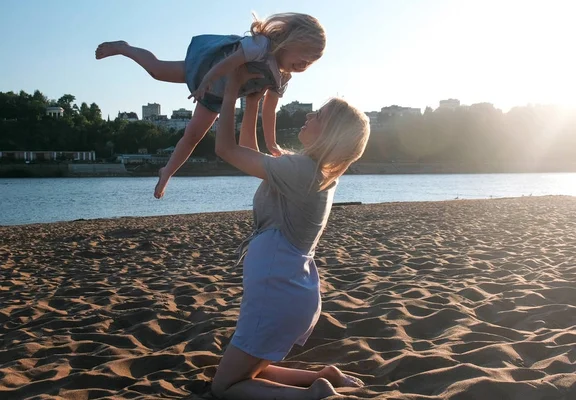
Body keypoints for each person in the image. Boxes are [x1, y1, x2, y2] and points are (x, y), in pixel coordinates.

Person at [209, 65, 371, 399]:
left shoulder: (301, 170)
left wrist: (230, 92)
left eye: (319, 115)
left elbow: (226, 150)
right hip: (288, 288)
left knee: (224, 387)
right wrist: (251, 102)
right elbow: (248, 149)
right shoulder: (311, 171)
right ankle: (324, 376)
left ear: (330, 132)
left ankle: (313, 396)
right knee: (252, 368)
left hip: (278, 290)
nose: (309, 116)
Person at [94, 12, 326, 199]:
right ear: (291, 40)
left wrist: (272, 142)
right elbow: (229, 62)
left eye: (311, 63)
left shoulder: (282, 78)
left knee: (192, 136)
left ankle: (166, 173)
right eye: (304, 56)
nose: (304, 65)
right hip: (207, 71)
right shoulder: (260, 46)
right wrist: (205, 81)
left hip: (219, 98)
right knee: (157, 70)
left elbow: (269, 109)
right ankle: (123, 47)